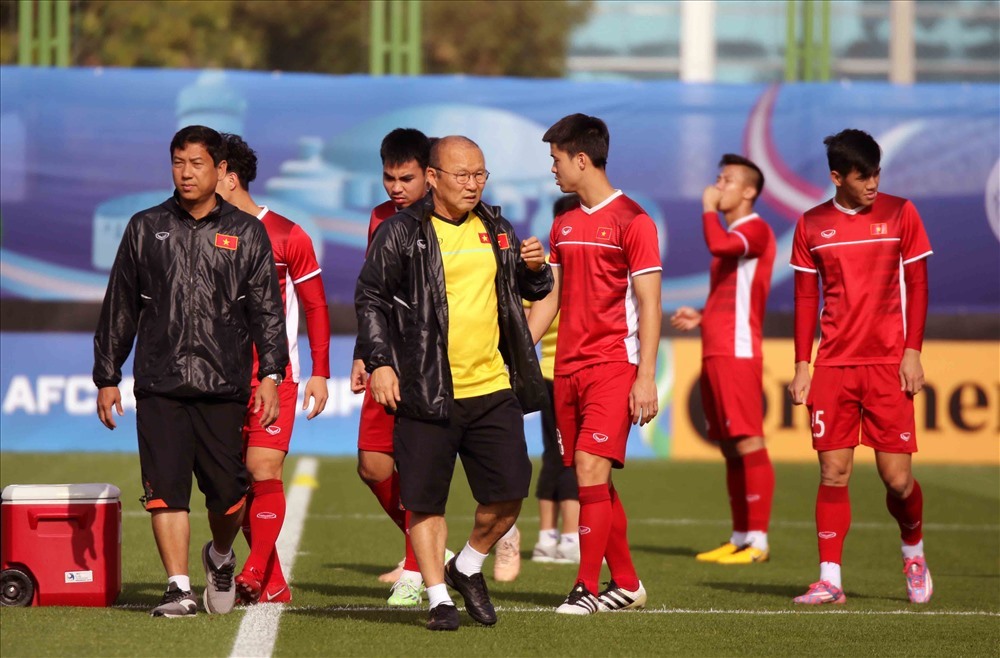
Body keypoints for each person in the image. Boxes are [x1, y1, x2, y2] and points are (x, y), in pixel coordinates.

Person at [355, 135, 551, 631]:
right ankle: (439, 597)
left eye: (480, 174)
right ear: (435, 178)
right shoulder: (400, 232)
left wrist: (536, 271)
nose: (472, 184)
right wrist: (379, 361)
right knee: (424, 500)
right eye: (462, 175)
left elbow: (527, 291)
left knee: (509, 495)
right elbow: (371, 297)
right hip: (425, 390)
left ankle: (466, 565)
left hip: (492, 388)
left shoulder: (499, 229)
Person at [93, 125, 289, 618]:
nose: (186, 172)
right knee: (166, 491)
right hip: (159, 384)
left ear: (221, 171)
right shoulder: (144, 226)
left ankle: (220, 555)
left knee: (228, 498)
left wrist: (270, 374)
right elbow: (119, 305)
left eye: (197, 163)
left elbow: (268, 310)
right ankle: (178, 588)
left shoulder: (247, 232)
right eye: (178, 162)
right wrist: (108, 376)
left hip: (223, 385)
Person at [788, 128, 933, 605]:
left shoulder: (900, 212)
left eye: (877, 173)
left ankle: (913, 549)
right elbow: (806, 296)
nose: (873, 183)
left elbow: (918, 282)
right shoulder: (811, 224)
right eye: (863, 175)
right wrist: (802, 363)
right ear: (837, 177)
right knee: (833, 472)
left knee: (897, 479)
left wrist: (912, 349)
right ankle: (830, 579)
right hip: (833, 367)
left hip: (888, 364)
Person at [528, 114, 661, 615]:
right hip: (566, 371)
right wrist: (517, 350)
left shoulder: (634, 221)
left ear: (581, 159)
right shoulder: (563, 224)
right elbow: (551, 299)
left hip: (613, 366)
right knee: (596, 480)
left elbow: (650, 304)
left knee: (588, 468)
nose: (554, 170)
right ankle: (626, 583)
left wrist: (645, 376)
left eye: (557, 160)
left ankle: (585, 585)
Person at [215, 133, 330, 605]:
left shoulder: (286, 233)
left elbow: (317, 307)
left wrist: (321, 371)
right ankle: (274, 583)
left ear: (229, 176)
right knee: (230, 484)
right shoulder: (199, 233)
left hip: (275, 377)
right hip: (217, 378)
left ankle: (254, 569)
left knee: (262, 468)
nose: (191, 178)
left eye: (205, 169)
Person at [349, 127, 452, 607]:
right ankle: (430, 548)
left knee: (418, 469)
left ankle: (418, 572)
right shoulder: (379, 218)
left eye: (405, 177)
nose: (395, 187)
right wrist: (365, 354)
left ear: (429, 176)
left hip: (434, 365)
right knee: (372, 467)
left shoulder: (452, 219)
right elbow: (374, 292)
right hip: (387, 360)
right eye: (388, 177)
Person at [670, 154, 776, 565]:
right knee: (731, 446)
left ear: (749, 191)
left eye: (727, 180)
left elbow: (717, 243)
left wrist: (707, 207)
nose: (718, 186)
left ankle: (759, 541)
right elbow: (731, 292)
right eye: (717, 179)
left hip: (738, 350)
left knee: (749, 440)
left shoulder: (755, 229)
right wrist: (703, 315)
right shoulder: (736, 234)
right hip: (717, 347)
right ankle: (740, 536)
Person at [528, 194, 581, 566]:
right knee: (576, 459)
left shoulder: (543, 266)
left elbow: (520, 313)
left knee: (554, 455)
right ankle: (568, 538)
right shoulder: (576, 267)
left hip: (550, 374)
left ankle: (548, 537)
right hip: (569, 375)